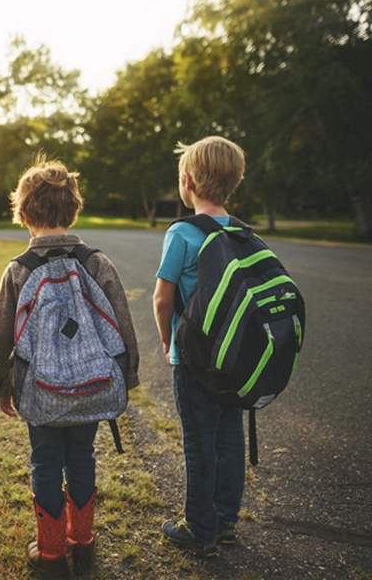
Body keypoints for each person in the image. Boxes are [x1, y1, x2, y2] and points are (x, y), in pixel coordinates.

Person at [0, 155, 140, 578]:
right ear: (73, 208)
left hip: (41, 389)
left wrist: (0, 386)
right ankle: (83, 541)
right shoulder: (97, 262)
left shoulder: (18, 270)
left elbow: (0, 336)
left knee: (45, 461)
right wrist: (128, 376)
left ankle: (51, 552)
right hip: (93, 385)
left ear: (23, 213)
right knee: (83, 455)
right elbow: (123, 325)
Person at [153, 136, 247, 558]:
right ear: (234, 183)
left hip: (194, 359)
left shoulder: (182, 232)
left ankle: (199, 526)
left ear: (187, 181)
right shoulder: (242, 232)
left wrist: (167, 341)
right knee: (229, 437)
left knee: (198, 439)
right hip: (235, 359)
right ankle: (226, 521)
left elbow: (162, 297)